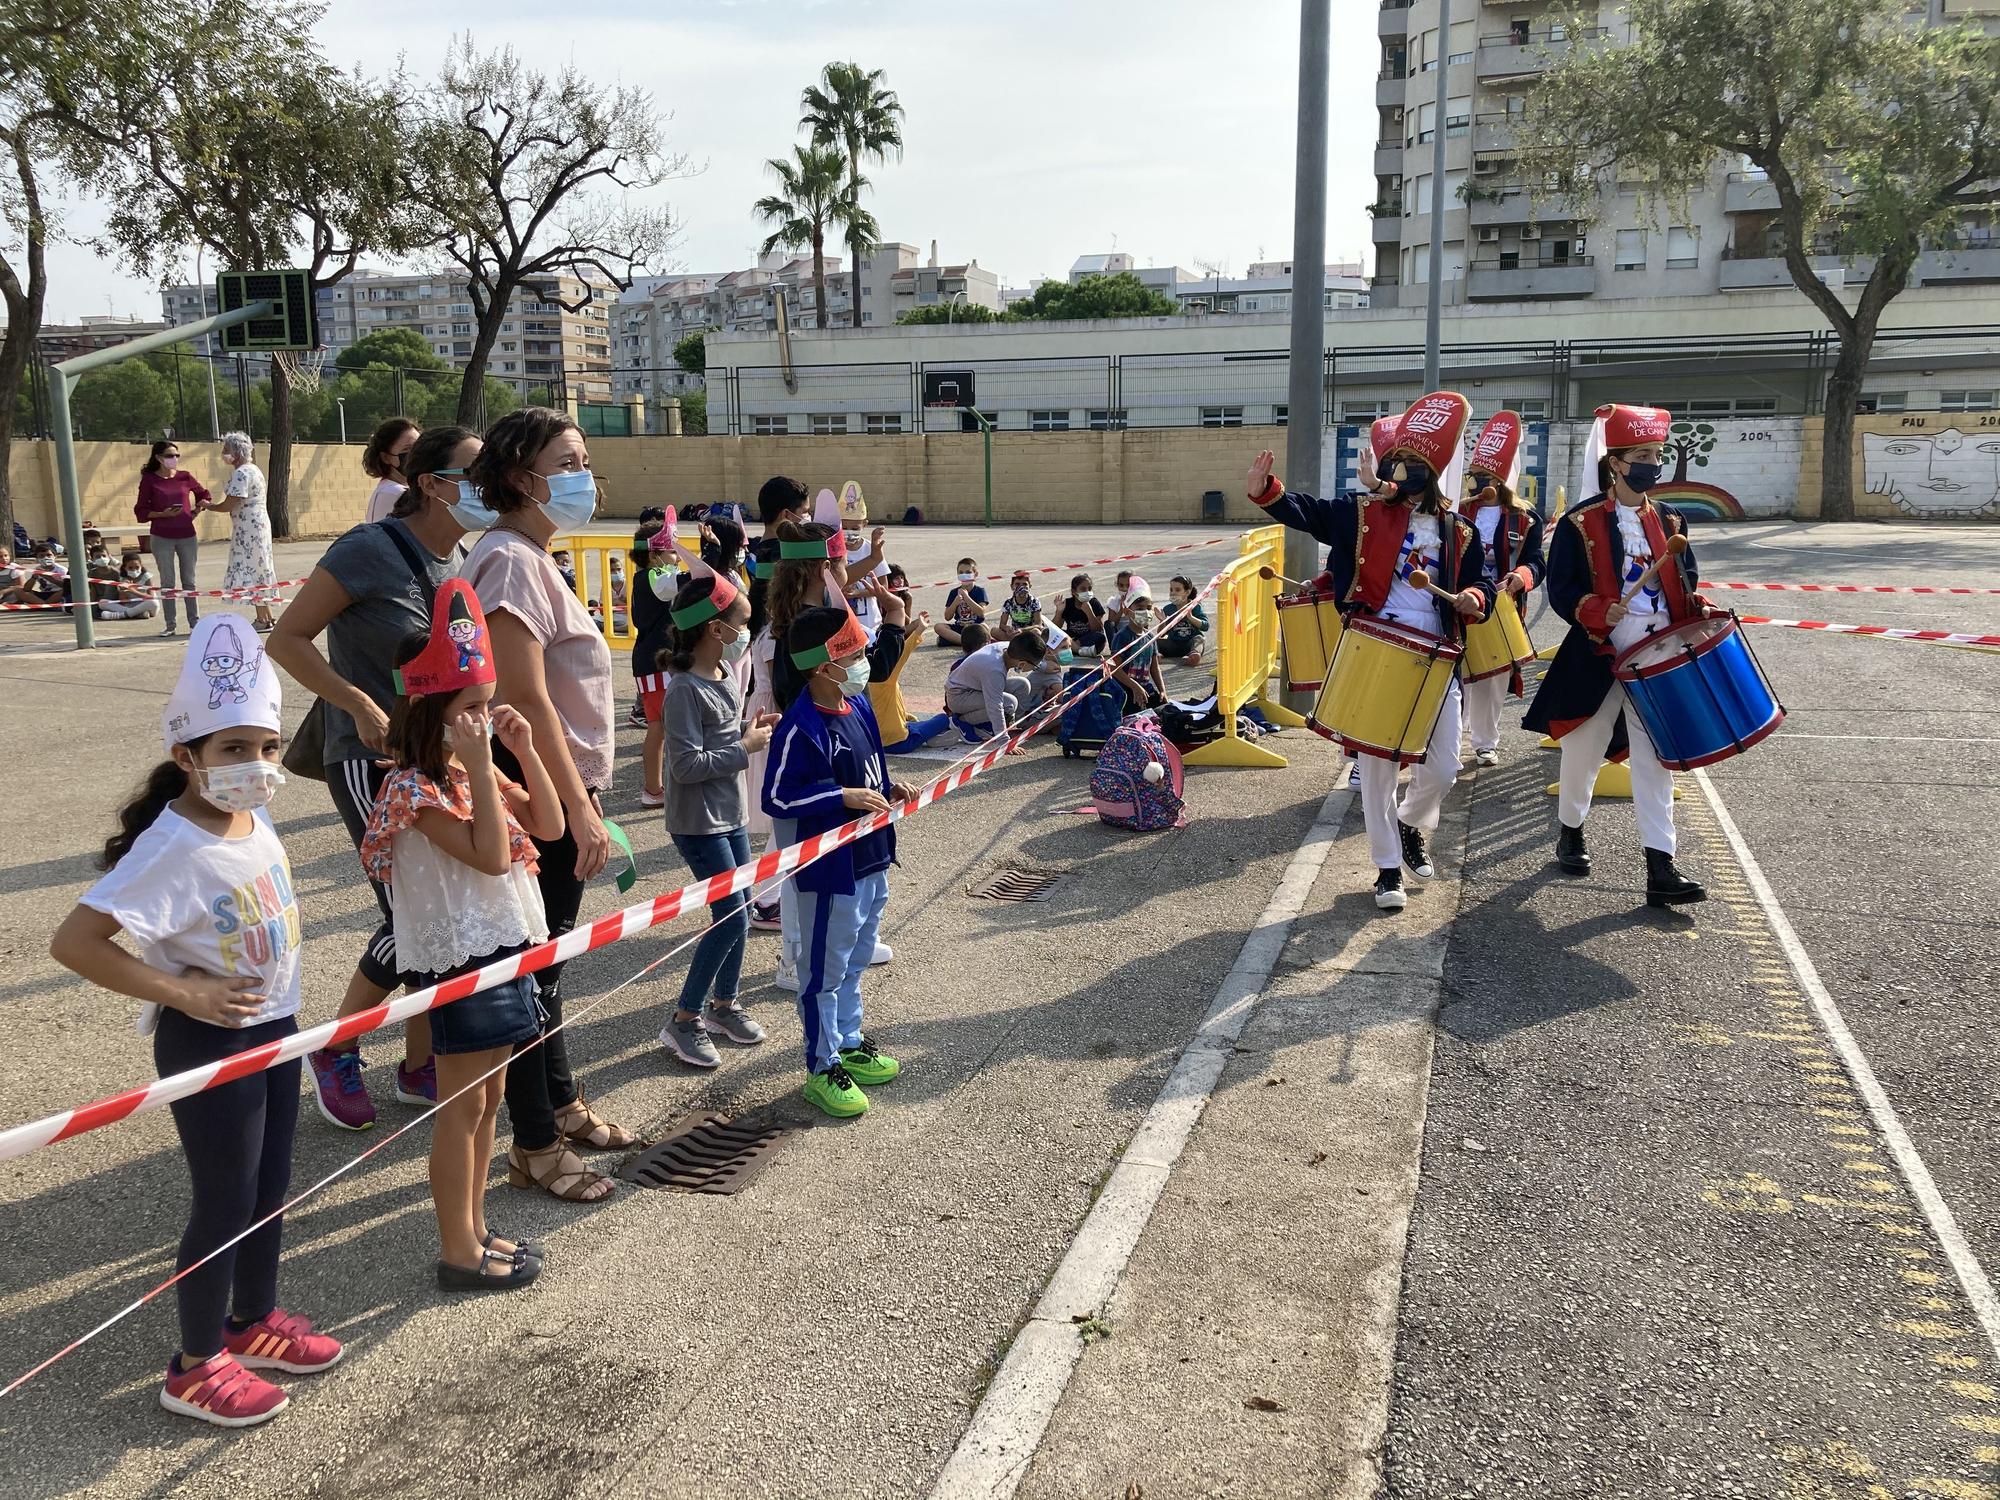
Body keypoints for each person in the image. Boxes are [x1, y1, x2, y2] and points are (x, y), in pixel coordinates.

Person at [49, 616, 341, 1428]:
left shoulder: (253, 816)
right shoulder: (170, 845)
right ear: (188, 757)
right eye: (233, 750)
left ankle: (252, 1323)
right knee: (223, 1199)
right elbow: (76, 941)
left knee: (271, 1186)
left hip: (278, 1028)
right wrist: (185, 995)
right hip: (213, 1042)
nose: (256, 766)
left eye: (267, 747)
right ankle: (193, 1362)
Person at [266, 426, 476, 1129]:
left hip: (431, 754)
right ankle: (336, 1047)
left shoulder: (461, 560)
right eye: (474, 475)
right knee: (408, 913)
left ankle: (419, 1064)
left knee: (434, 910)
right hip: (366, 756)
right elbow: (286, 637)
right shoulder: (368, 550)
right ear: (431, 484)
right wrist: (355, 702)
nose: (488, 487)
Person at [457, 405, 635, 1200]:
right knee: (531, 971)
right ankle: (532, 1145)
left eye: (585, 457)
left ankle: (559, 1103)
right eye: (569, 460)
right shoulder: (510, 561)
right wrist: (578, 806)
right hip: (545, 797)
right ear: (522, 476)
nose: (584, 474)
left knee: (549, 965)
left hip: (562, 789)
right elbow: (524, 694)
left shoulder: (531, 555)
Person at [361, 583, 557, 1291]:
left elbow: (551, 826)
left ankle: (475, 1229)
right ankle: (458, 1250)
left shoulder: (468, 771)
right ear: (430, 711)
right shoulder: (414, 789)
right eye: (468, 707)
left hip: (502, 948)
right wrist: (480, 764)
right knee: (460, 1107)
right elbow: (489, 856)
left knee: (490, 1099)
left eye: (484, 704)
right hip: (459, 959)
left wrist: (521, 750)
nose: (480, 717)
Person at [1245, 389, 1495, 912]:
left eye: (1413, 463)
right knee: (1378, 767)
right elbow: (1308, 513)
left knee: (1444, 766)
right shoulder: (1363, 514)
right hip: (1375, 644)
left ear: (1433, 469)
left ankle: (1409, 825)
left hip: (1438, 653)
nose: (1402, 471)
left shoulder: (1460, 531)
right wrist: (1268, 492)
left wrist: (1474, 598)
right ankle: (1386, 870)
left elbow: (1481, 588)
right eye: (1396, 462)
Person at [1524, 402, 1707, 908]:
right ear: (1617, 462)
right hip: (1599, 656)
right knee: (1583, 753)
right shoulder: (1579, 523)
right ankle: (1570, 831)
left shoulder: (1671, 518)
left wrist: (1696, 603)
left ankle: (1660, 866)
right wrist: (1593, 610)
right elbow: (1562, 588)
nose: (1654, 462)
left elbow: (1686, 579)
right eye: (1644, 454)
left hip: (1658, 657)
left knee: (1656, 760)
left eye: (1657, 453)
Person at [763, 605, 920, 1118]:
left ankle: (849, 1042)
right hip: (830, 869)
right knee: (822, 971)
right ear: (821, 666)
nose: (861, 662)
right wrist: (841, 796)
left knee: (854, 960)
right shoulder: (799, 727)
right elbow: (779, 799)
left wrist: (885, 787)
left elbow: (870, 766)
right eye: (851, 655)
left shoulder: (859, 706)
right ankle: (821, 1064)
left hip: (872, 856)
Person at [657, 570, 777, 1068]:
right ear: (715, 629)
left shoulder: (724, 675)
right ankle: (683, 1020)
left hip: (729, 812)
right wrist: (744, 747)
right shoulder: (684, 689)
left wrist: (748, 730)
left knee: (741, 910)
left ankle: (723, 1006)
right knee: (727, 918)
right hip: (697, 821)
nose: (748, 632)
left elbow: (722, 740)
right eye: (743, 623)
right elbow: (685, 765)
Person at [1459, 411, 1547, 767]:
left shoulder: (1526, 518)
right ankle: (1451, 738)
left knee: (1493, 679)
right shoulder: (1458, 511)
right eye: (1478, 476)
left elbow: (1538, 562)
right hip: (1460, 604)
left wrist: (1521, 577)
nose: (1482, 482)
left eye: (1489, 476)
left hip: (1502, 606)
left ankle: (1485, 741)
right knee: (1457, 677)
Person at [629, 518, 683, 807]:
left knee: (662, 725)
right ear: (653, 554)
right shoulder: (652, 578)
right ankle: (653, 789)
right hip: (654, 662)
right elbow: (677, 584)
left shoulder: (653, 575)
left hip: (657, 660)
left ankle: (657, 788)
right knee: (660, 726)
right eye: (672, 550)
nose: (677, 555)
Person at [134, 438, 211, 636]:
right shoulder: (150, 479)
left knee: (189, 580)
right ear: (158, 458)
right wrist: (163, 514)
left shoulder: (185, 476)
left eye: (177, 455)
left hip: (187, 534)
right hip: (162, 535)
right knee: (168, 581)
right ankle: (170, 625)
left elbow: (203, 494)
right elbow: (141, 511)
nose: (174, 459)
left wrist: (195, 512)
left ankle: (195, 623)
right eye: (169, 456)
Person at [208, 432, 277, 633]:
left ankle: (263, 618)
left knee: (252, 567)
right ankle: (267, 616)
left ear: (237, 453)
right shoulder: (254, 469)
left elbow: (229, 504)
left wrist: (209, 506)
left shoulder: (242, 473)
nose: (224, 454)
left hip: (249, 527)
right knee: (260, 565)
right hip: (256, 523)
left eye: (226, 450)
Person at [945, 628, 1046, 744]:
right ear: (1022, 664)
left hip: (975, 688)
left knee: (1022, 685)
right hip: (959, 697)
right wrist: (1004, 742)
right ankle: (961, 721)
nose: (1035, 669)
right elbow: (995, 706)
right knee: (1009, 703)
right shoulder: (994, 669)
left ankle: (1020, 723)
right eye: (1035, 666)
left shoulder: (1010, 648)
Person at [1109, 585, 1166, 711]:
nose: (1145, 611)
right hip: (1125, 690)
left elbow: (1154, 667)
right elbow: (1114, 668)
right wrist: (1134, 687)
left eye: (1148, 608)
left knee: (1165, 710)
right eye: (1140, 608)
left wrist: (1162, 690)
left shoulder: (1150, 636)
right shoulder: (1122, 636)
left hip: (1145, 688)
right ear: (1127, 611)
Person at [362, 417, 419, 524]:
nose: (418, 454)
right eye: (407, 449)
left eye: (419, 446)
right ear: (386, 458)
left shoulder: (389, 488)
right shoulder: (396, 493)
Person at [935, 560, 989, 647]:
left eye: (968, 572)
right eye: (961, 572)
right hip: (959, 627)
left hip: (975, 627)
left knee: (985, 627)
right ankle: (966, 642)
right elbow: (947, 617)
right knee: (938, 627)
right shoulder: (953, 592)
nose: (964, 575)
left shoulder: (980, 591)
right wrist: (955, 603)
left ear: (975, 574)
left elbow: (981, 613)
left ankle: (953, 641)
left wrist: (966, 597)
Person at [1158, 576, 1210, 665]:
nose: (1173, 593)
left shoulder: (1195, 607)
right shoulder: (1168, 609)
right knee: (1153, 641)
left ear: (1187, 592)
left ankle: (1193, 656)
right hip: (1173, 644)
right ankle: (1157, 655)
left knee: (1199, 639)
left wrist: (1190, 617)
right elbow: (1161, 634)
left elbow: (1205, 626)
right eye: (1171, 590)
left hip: (1190, 645)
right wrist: (1162, 621)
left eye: (1177, 590)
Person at [98, 551, 162, 621]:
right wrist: (123, 591)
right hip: (130, 605)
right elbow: (123, 602)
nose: (134, 570)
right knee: (102, 603)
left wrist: (133, 591)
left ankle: (120, 615)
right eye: (130, 568)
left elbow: (151, 597)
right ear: (125, 568)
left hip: (147, 606)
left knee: (153, 602)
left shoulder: (146, 577)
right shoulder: (123, 579)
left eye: (137, 567)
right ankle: (137, 614)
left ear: (141, 566)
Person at [1055, 574, 1107, 656]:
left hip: (1087, 639)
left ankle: (1071, 647)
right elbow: (1056, 627)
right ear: (1074, 592)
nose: (1087, 592)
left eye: (1089, 589)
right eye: (1083, 589)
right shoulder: (1068, 603)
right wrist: (1059, 611)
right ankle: (1079, 650)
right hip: (1072, 637)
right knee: (1054, 633)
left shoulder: (1094, 603)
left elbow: (1098, 629)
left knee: (1100, 637)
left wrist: (1089, 612)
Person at [994, 570, 1044, 639]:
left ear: (1030, 586)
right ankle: (1015, 641)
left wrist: (1022, 630)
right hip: (1015, 632)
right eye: (1017, 584)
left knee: (1037, 632)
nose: (1021, 587)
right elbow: (1002, 625)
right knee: (994, 631)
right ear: (1012, 587)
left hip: (1029, 632)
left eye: (1024, 584)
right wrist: (1008, 628)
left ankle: (1016, 642)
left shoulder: (1034, 601)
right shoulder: (1009, 602)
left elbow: (1038, 625)